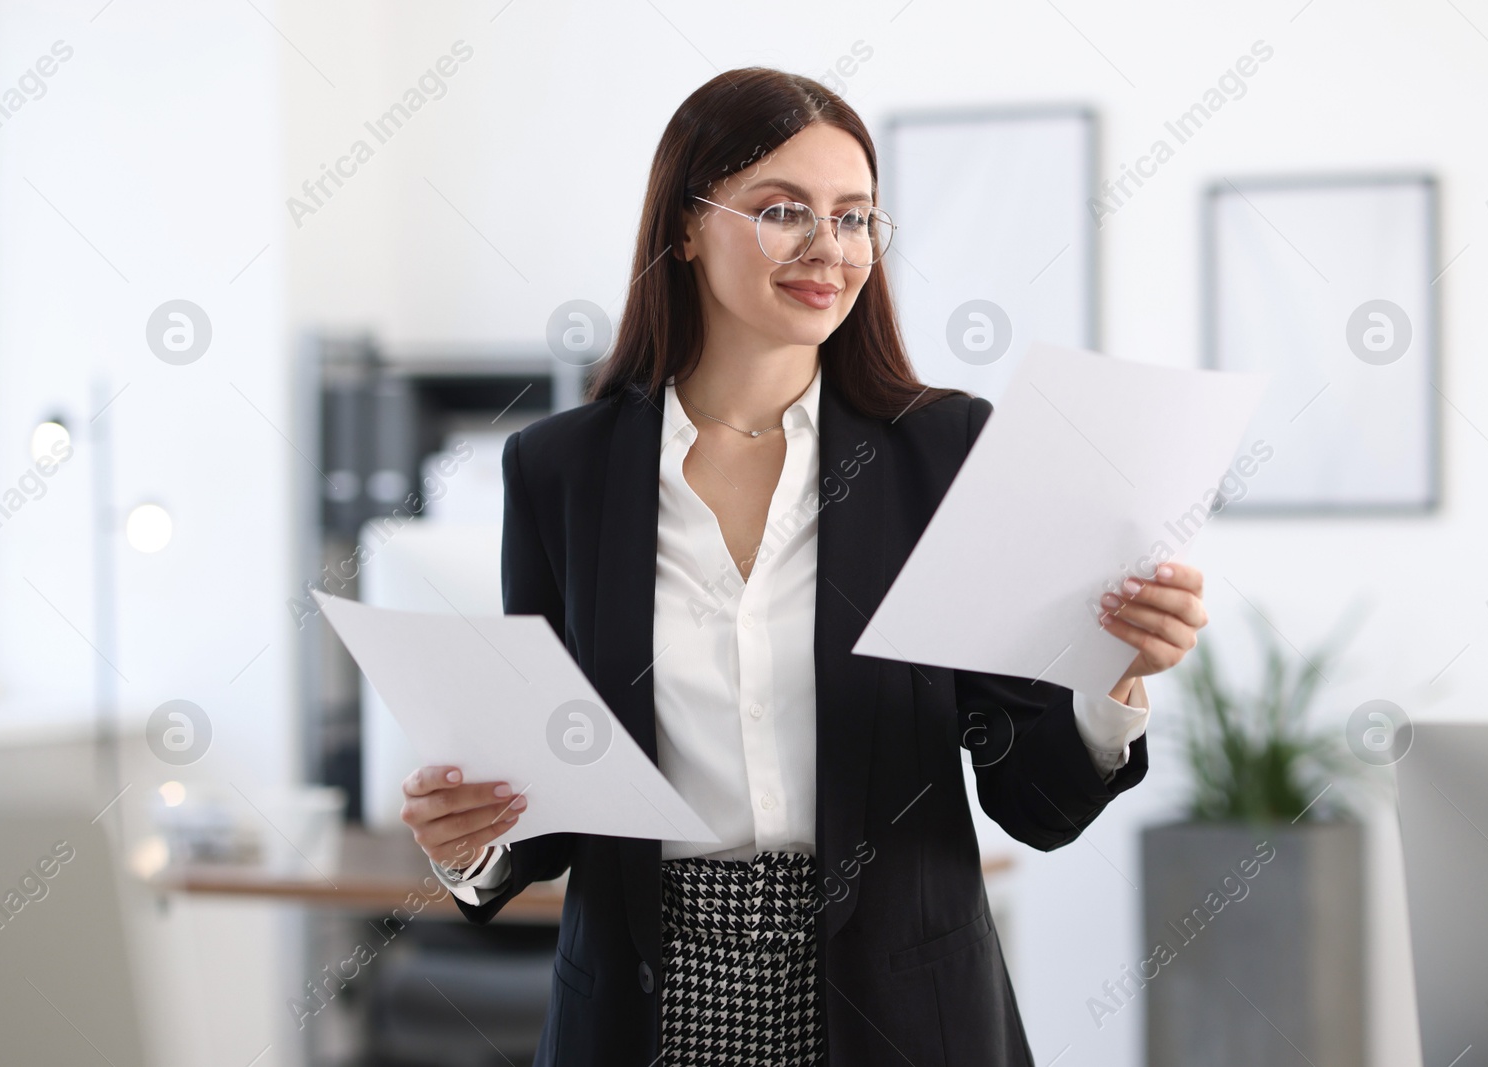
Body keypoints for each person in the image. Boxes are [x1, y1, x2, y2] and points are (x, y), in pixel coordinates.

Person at [400, 67, 1207, 1066]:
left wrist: (1110, 672)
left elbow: (1030, 798)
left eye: (856, 216)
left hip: (902, 1013)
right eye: (783, 211)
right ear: (685, 227)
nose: (830, 248)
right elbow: (559, 789)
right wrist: (467, 838)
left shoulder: (941, 450)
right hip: (645, 1009)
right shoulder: (561, 469)